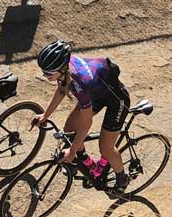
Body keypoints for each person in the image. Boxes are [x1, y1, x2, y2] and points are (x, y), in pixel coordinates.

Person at [31, 40, 130, 191]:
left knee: (106, 148)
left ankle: (122, 179)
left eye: (48, 73)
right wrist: (45, 115)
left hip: (116, 101)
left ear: (62, 68)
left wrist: (72, 151)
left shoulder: (82, 82)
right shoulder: (65, 69)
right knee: (70, 129)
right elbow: (62, 90)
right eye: (43, 71)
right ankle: (84, 160)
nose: (45, 75)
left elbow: (86, 124)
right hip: (95, 94)